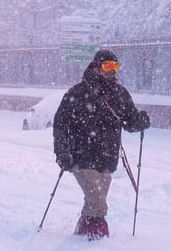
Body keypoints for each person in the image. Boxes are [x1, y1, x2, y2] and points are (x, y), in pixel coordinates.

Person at [53, 49, 150, 240]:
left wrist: (140, 121)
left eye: (115, 67)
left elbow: (130, 121)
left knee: (95, 200)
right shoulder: (77, 93)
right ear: (96, 67)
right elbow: (60, 125)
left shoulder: (120, 93)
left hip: (107, 158)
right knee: (97, 202)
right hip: (80, 157)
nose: (112, 71)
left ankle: (82, 232)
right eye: (107, 66)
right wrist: (62, 152)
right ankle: (97, 238)